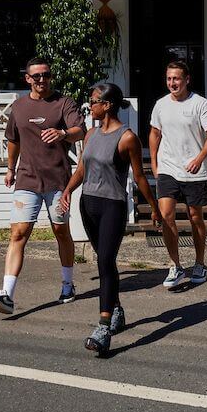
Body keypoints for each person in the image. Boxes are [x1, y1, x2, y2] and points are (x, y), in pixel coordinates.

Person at [59, 82, 160, 355]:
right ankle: (116, 309)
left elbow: (139, 176)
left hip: (112, 206)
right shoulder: (90, 134)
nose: (89, 106)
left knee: (105, 261)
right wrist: (67, 190)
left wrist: (154, 208)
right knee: (105, 262)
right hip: (88, 204)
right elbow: (81, 168)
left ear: (108, 105)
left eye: (94, 101)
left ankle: (103, 328)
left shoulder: (127, 138)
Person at [0, 57, 85, 316]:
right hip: (26, 179)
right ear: (27, 78)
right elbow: (13, 140)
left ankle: (67, 284)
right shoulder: (19, 107)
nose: (42, 80)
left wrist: (63, 134)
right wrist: (10, 168)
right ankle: (6, 294)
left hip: (57, 181)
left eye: (46, 75)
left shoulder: (64, 103)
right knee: (18, 234)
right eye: (36, 76)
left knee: (61, 232)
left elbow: (80, 130)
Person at [149, 60, 207, 290]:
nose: (172, 83)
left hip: (194, 171)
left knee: (194, 217)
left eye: (176, 78)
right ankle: (175, 265)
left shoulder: (200, 104)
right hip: (168, 168)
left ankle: (199, 263)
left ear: (187, 79)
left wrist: (199, 158)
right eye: (169, 79)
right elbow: (154, 133)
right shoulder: (160, 105)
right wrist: (154, 162)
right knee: (166, 215)